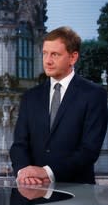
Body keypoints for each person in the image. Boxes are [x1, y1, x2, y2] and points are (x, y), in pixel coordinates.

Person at [10, 26, 108, 185]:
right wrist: (24, 171)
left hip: (76, 194)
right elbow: (19, 145)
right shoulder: (30, 97)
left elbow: (89, 150)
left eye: (55, 54)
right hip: (32, 193)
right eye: (45, 53)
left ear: (73, 57)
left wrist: (46, 172)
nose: (47, 60)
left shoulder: (94, 95)